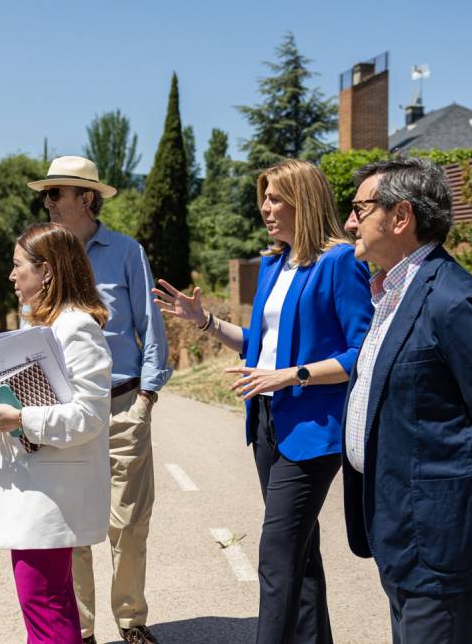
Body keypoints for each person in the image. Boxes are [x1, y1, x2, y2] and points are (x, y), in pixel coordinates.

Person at [154, 158, 373, 644]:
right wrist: (206, 320)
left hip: (314, 429)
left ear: (305, 201)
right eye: (264, 198)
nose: (265, 207)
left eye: (275, 198)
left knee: (276, 554)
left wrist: (292, 375)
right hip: (267, 424)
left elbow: (363, 351)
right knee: (301, 554)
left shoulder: (339, 262)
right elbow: (260, 341)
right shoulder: (275, 263)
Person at [340, 157, 472, 644]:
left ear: (400, 216)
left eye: (358, 209)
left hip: (442, 539)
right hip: (399, 525)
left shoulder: (455, 301)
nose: (349, 222)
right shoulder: (390, 292)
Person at [27, 156, 171, 644]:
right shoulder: (42, 257)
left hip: (124, 402)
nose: (46, 203)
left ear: (85, 198)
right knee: (73, 525)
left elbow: (151, 326)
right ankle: (82, 630)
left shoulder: (127, 251)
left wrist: (149, 392)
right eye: (45, 194)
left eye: (55, 194)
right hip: (64, 412)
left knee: (128, 521)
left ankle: (131, 620)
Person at [0, 222, 113, 644]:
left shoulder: (76, 327)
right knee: (48, 610)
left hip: (52, 494)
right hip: (38, 486)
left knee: (46, 612)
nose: (11, 276)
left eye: (18, 266)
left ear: (46, 271)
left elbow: (89, 414)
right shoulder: (44, 326)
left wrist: (18, 418)